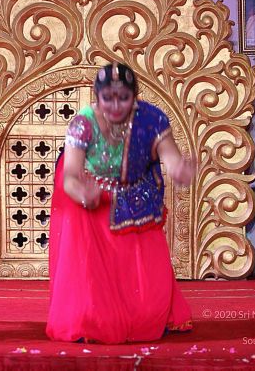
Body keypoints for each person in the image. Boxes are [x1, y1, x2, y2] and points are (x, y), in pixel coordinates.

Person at [46, 62, 194, 344]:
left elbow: (172, 160)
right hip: (92, 194)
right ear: (97, 96)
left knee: (147, 294)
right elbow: (70, 176)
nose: (116, 106)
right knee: (95, 280)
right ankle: (92, 316)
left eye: (123, 98)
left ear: (135, 97)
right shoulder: (83, 124)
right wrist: (84, 194)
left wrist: (180, 171)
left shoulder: (151, 120)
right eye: (108, 98)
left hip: (136, 191)